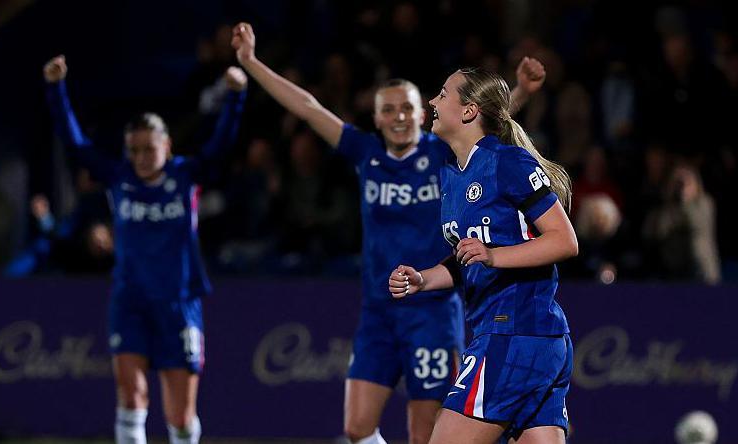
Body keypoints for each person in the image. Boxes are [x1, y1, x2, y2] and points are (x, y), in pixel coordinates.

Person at [231, 23, 545, 444]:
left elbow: (485, 121)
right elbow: (306, 107)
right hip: (379, 309)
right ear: (376, 118)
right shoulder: (367, 154)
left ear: (421, 113)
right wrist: (252, 63)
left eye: (407, 108)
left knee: (423, 434)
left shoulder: (442, 152)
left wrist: (521, 90)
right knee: (356, 427)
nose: (398, 117)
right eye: (388, 109)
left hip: (433, 309)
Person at [42, 54, 247, 444]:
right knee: (131, 396)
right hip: (130, 299)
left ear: (166, 146)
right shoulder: (118, 177)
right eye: (132, 150)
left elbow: (221, 145)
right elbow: (75, 143)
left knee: (180, 415)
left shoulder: (187, 176)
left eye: (147, 149)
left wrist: (236, 97)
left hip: (179, 301)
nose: (139, 158)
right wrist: (56, 89)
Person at [389, 67, 577, 443]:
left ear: (470, 111)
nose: (432, 102)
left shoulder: (507, 162)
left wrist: (493, 256)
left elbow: (564, 240)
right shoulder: (452, 174)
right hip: (526, 338)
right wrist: (424, 278)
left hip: (513, 332)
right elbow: (468, 257)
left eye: (442, 94)